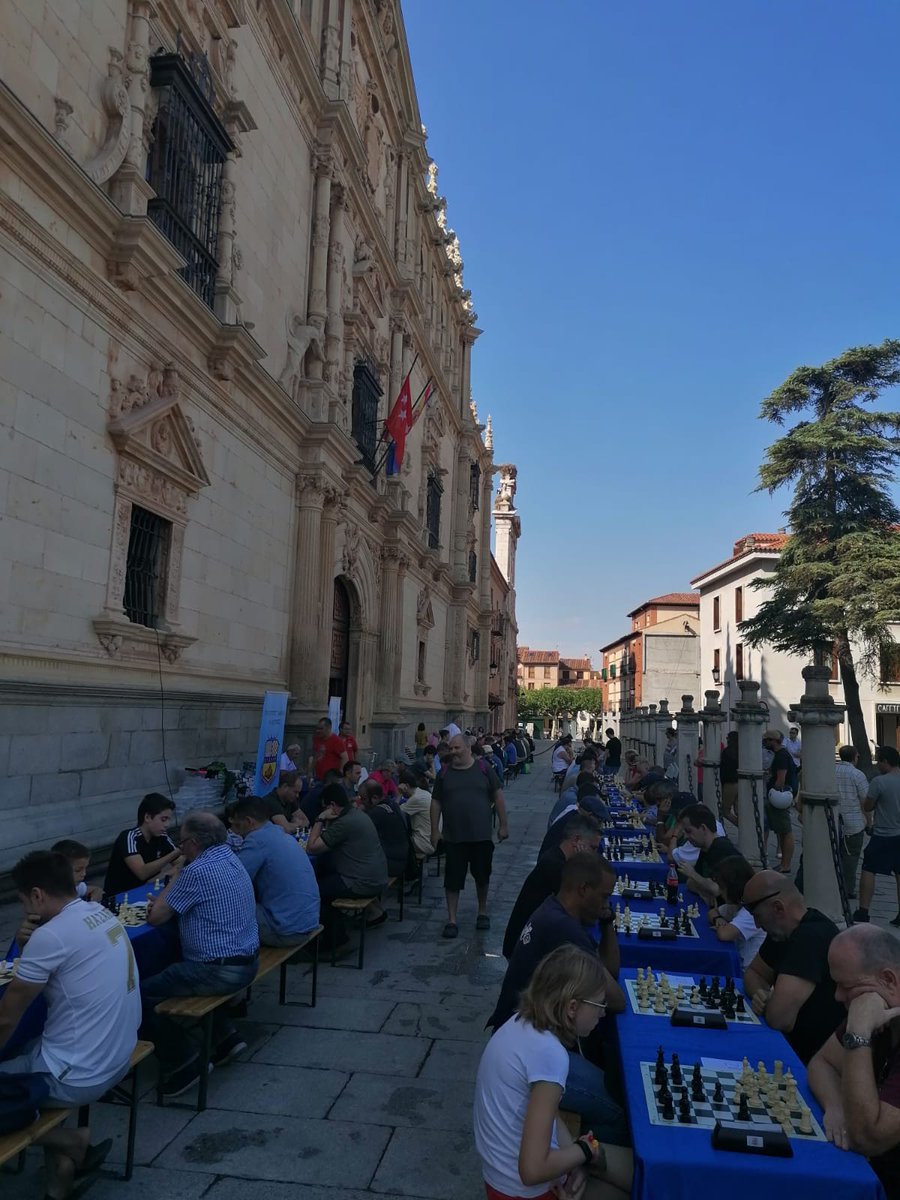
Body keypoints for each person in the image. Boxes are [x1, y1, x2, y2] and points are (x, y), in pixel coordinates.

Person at [0, 851, 141, 1199]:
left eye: (23, 901)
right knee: (27, 1050)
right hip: (118, 1055)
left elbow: (7, 1017)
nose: (24, 909)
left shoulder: (52, 936)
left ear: (36, 895)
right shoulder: (97, 912)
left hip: (79, 1073)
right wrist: (27, 946)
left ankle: (69, 1140)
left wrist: (30, 946)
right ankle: (59, 1182)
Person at [474, 945, 633, 1200]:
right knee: (639, 1184)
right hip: (523, 1192)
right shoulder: (550, 1055)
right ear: (572, 1007)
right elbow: (532, 1170)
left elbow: (550, 1114)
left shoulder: (521, 1023)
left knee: (619, 1167)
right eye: (599, 1004)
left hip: (500, 1180)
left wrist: (575, 1157)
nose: (603, 1013)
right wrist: (584, 1150)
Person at [488, 854, 627, 1143]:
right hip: (528, 1059)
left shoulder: (556, 909)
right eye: (604, 896)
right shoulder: (562, 928)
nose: (607, 903)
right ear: (583, 889)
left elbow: (610, 970)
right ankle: (585, 1162)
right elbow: (616, 999)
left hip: (521, 1040)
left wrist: (607, 920)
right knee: (621, 1110)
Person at [142, 812, 260, 1097]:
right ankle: (225, 1037)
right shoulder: (230, 856)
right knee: (181, 968)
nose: (180, 849)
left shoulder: (196, 871)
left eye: (182, 843)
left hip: (219, 970)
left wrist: (178, 874)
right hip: (248, 961)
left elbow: (155, 917)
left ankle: (183, 1062)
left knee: (137, 996)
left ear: (194, 843)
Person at [808, 924, 900, 1193]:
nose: (837, 996)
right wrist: (836, 1105)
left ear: (889, 979)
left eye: (845, 986)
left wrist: (858, 1031)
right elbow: (821, 1063)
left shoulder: (866, 1011)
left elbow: (867, 1138)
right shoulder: (878, 1003)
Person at [742, 869, 844, 1063]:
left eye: (758, 916)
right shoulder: (783, 930)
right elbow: (753, 973)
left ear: (778, 908)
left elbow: (780, 1019)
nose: (756, 925)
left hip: (811, 1059)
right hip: (793, 1047)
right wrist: (760, 994)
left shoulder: (810, 938)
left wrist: (771, 1004)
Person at [431, 733, 508, 939]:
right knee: (452, 880)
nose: (453, 752)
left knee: (482, 877)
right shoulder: (444, 773)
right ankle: (452, 920)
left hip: (480, 836)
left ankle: (482, 912)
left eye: (457, 748)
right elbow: (436, 801)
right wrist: (434, 830)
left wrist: (503, 825)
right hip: (453, 837)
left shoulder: (484, 769)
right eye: (451, 748)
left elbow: (498, 795)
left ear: (468, 748)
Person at [502, 816, 602, 959]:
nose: (595, 855)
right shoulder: (556, 866)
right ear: (576, 840)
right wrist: (585, 864)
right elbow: (583, 910)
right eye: (593, 848)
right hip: (524, 947)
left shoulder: (557, 857)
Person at [230, 795, 320, 946]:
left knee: (227, 905)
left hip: (285, 931)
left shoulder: (256, 839)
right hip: (308, 922)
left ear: (249, 822)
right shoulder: (283, 835)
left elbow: (233, 880)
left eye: (238, 826)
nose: (237, 833)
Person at [306, 782, 389, 907]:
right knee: (327, 871)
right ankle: (374, 913)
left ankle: (333, 919)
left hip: (362, 883)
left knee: (312, 889)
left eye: (325, 808)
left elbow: (311, 848)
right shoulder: (357, 814)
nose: (324, 811)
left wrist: (320, 818)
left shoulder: (345, 822)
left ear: (332, 805)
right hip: (377, 877)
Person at [854, 746, 900, 925]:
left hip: (883, 833)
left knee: (869, 869)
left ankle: (863, 911)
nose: (877, 765)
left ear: (885, 761)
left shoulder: (879, 782)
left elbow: (868, 806)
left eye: (878, 761)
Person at [103, 792, 181, 896]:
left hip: (147, 891)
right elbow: (142, 872)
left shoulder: (162, 837)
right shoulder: (129, 837)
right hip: (120, 896)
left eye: (168, 820)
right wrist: (176, 853)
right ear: (147, 817)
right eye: (163, 819)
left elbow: (182, 862)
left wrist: (171, 871)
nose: (167, 825)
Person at [707, 855, 766, 970]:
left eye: (722, 888)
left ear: (733, 887)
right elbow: (712, 912)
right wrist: (718, 919)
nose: (719, 892)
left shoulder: (750, 912)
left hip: (748, 970)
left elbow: (724, 935)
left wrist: (721, 927)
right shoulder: (735, 906)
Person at [676, 804, 742, 904]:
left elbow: (717, 889)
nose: (685, 837)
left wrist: (693, 874)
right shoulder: (705, 849)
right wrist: (704, 890)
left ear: (703, 828)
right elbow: (690, 883)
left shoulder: (722, 850)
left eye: (689, 831)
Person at [835, 744, 871, 902]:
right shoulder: (857, 774)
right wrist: (869, 822)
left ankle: (833, 884)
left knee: (833, 854)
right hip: (854, 822)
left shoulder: (831, 770)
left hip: (834, 819)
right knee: (851, 857)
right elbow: (865, 801)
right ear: (854, 757)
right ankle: (848, 888)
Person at [762, 729, 798, 874]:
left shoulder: (781, 756)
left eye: (767, 740)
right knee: (782, 831)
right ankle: (784, 863)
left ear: (773, 741)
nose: (765, 743)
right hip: (781, 796)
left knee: (785, 831)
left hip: (780, 797)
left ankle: (786, 864)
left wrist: (774, 792)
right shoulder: (781, 754)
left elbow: (781, 779)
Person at [398, 765, 434, 857]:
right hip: (433, 840)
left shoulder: (416, 798)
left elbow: (395, 812)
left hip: (423, 843)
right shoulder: (424, 793)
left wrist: (398, 793)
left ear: (406, 786)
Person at [265, 770, 310, 834]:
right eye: (295, 792)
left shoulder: (290, 799)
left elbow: (306, 821)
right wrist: (298, 824)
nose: (297, 796)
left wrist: (291, 824)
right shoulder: (271, 801)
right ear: (285, 786)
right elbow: (286, 829)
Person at [309, 717, 348, 781]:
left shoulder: (336, 740)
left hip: (331, 779)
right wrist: (310, 771)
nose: (318, 731)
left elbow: (345, 758)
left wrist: (340, 774)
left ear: (328, 728)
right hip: (318, 777)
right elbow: (315, 755)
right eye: (317, 728)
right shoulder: (316, 739)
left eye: (321, 729)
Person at [720, 731, 739, 824]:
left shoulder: (727, 752)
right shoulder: (741, 751)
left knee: (725, 811)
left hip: (729, 783)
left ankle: (739, 825)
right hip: (740, 782)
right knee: (739, 810)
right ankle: (746, 828)